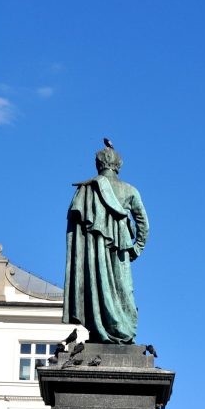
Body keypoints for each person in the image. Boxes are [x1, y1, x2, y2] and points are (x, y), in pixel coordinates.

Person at [64, 145, 149, 344]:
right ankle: (122, 330)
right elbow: (143, 221)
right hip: (120, 249)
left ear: (98, 165)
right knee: (123, 290)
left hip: (93, 251)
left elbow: (75, 229)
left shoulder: (86, 189)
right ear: (118, 165)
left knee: (96, 285)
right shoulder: (129, 190)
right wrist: (138, 246)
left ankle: (99, 328)